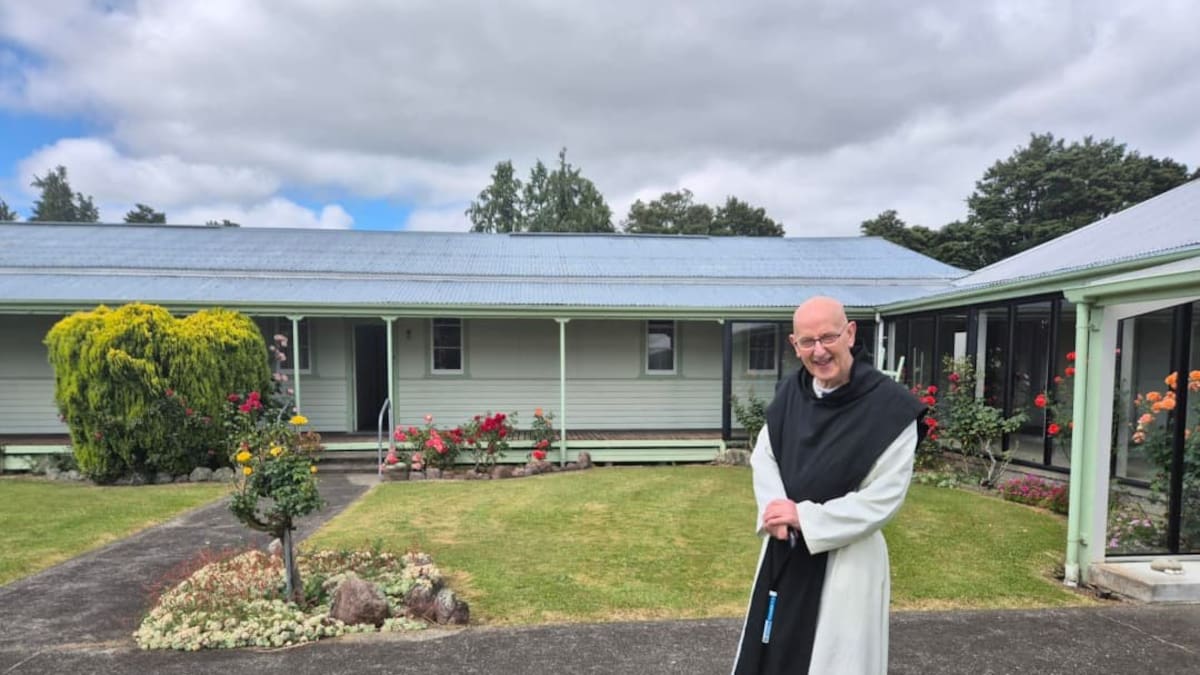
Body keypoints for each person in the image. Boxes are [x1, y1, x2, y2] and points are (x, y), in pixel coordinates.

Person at [731, 296, 925, 675]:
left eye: (828, 337)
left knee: (837, 661)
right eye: (807, 341)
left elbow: (882, 499)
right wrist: (776, 511)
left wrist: (805, 516)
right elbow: (764, 455)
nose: (818, 351)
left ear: (850, 333)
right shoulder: (791, 393)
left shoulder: (891, 408)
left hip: (847, 562)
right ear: (794, 345)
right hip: (786, 549)